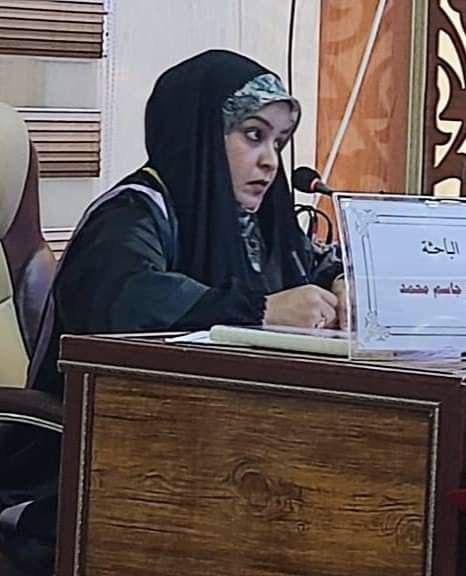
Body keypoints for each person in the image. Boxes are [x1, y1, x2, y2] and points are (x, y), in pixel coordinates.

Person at [1, 50, 345, 576]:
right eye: (253, 135)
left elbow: (313, 263)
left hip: (222, 448)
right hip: (97, 462)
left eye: (278, 142)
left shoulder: (254, 221)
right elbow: (128, 300)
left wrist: (344, 283)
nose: (270, 161)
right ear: (200, 132)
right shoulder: (133, 212)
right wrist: (258, 311)